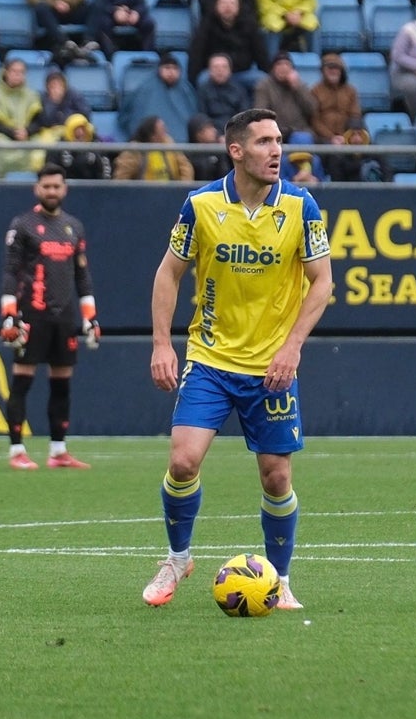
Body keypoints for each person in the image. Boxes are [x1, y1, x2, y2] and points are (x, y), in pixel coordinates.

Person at [143, 107, 334, 610]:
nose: (277, 151)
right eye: (265, 142)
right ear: (236, 151)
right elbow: (169, 273)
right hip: (209, 358)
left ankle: (281, 579)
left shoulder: (300, 205)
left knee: (276, 477)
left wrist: (292, 347)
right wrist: (163, 343)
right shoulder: (201, 205)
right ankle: (178, 557)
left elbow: (323, 281)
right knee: (183, 462)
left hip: (270, 367)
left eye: (279, 140)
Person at [0, 163, 100, 471]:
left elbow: (82, 276)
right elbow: (11, 272)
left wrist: (90, 317)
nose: (52, 191)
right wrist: (9, 315)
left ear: (64, 189)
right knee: (22, 380)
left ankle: (58, 451)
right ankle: (17, 450)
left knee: (62, 383)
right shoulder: (23, 224)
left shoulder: (74, 227)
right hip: (32, 315)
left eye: (57, 186)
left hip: (64, 316)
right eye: (47, 186)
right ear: (37, 188)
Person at [118, 52, 198, 144]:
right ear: (159, 69)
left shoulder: (187, 90)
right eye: (167, 68)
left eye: (175, 68)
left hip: (184, 146)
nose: (171, 72)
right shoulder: (145, 89)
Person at [113, 115, 194, 181]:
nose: (167, 131)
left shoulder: (169, 143)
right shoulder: (134, 150)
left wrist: (183, 187)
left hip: (171, 192)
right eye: (162, 129)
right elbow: (121, 177)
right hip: (143, 194)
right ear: (153, 136)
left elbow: (185, 166)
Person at [45, 112, 111, 180]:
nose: (80, 133)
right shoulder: (58, 148)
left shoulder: (97, 146)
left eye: (83, 129)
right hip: (66, 187)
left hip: (93, 187)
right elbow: (50, 172)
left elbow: (106, 172)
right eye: (76, 129)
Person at [198, 52, 252, 133]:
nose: (220, 71)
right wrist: (216, 134)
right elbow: (202, 115)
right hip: (212, 132)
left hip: (235, 131)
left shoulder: (239, 89)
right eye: (215, 67)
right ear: (209, 71)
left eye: (224, 67)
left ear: (230, 70)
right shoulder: (203, 90)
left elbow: (244, 115)